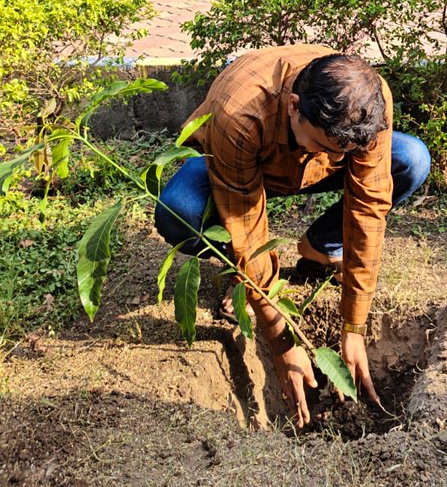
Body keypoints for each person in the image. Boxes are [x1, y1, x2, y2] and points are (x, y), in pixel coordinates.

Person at [154, 46, 431, 425]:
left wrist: (354, 327)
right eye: (324, 145)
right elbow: (246, 230)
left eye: (344, 152)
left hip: (304, 164)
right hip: (234, 166)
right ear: (294, 106)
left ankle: (321, 246)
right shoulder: (240, 115)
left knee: (411, 158)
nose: (338, 158)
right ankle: (244, 286)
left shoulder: (368, 99)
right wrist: (282, 343)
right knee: (179, 212)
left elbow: (368, 207)